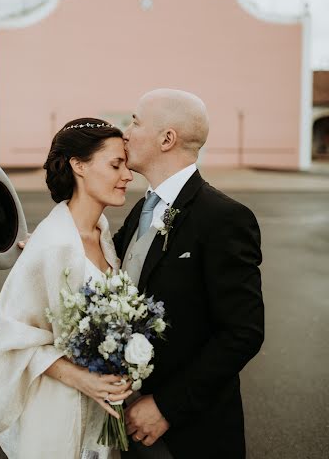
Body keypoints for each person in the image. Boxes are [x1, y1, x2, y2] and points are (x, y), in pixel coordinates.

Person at [112, 89, 264, 459]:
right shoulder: (140, 210)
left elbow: (243, 333)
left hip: (193, 434)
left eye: (134, 121)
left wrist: (166, 406)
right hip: (130, 421)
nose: (125, 133)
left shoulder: (224, 218)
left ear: (167, 139)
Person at [0, 117, 134, 459]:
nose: (127, 175)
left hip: (101, 409)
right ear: (78, 165)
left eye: (126, 164)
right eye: (115, 164)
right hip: (56, 410)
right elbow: (13, 340)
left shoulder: (102, 232)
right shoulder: (52, 246)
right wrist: (81, 378)